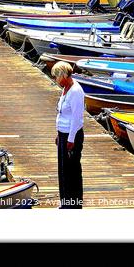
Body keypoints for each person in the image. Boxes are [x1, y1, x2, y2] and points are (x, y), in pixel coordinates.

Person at [51, 61, 84, 209]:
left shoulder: (76, 91)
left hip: (73, 135)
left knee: (72, 171)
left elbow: (76, 118)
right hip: (63, 133)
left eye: (56, 77)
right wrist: (59, 134)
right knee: (63, 170)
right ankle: (65, 201)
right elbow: (63, 113)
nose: (55, 80)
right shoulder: (66, 88)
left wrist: (70, 140)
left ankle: (74, 203)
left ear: (63, 75)